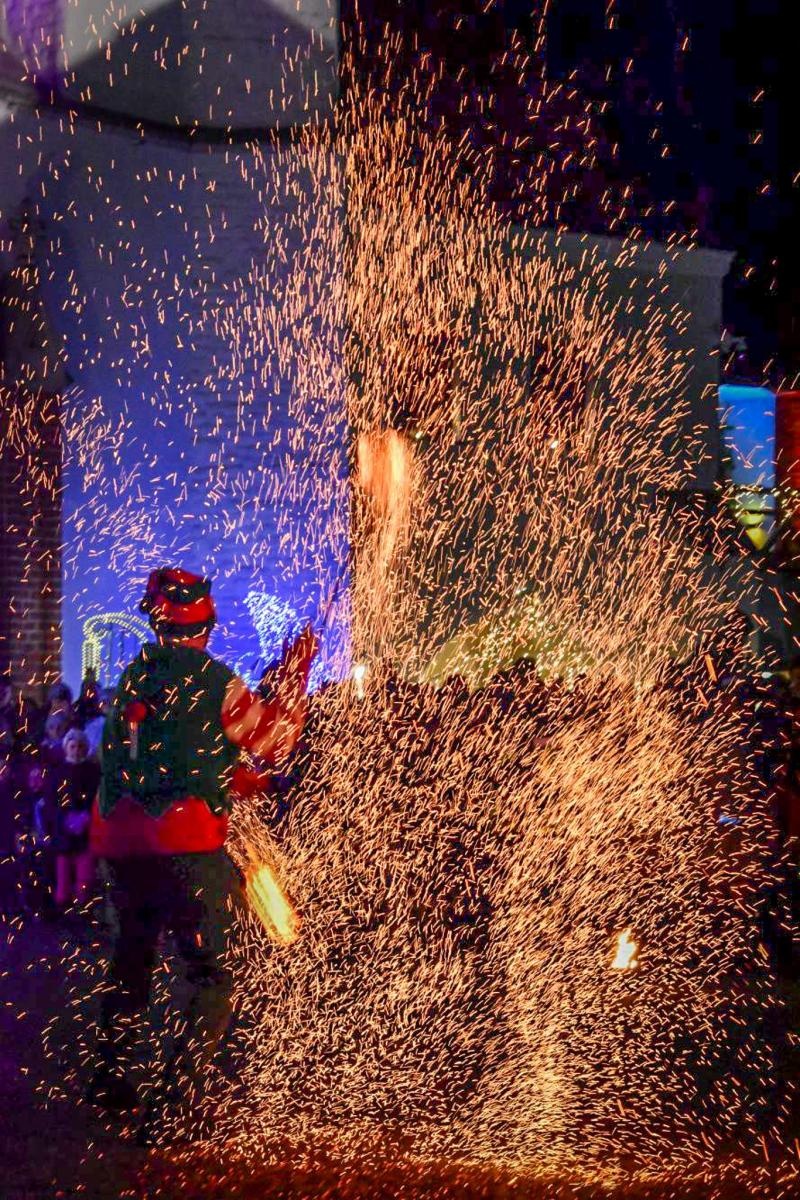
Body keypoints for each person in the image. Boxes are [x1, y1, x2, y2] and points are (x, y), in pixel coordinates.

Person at [86, 567, 317, 1142]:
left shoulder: (135, 677)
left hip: (121, 848)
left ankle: (110, 1080)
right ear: (207, 625)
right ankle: (172, 1108)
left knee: (131, 960)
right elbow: (278, 742)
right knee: (213, 976)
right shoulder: (217, 684)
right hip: (186, 848)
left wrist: (238, 780)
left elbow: (168, 762)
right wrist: (296, 674)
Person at [53, 728, 100, 910]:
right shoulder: (58, 771)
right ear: (66, 748)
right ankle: (62, 907)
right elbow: (53, 798)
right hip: (63, 829)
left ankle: (82, 906)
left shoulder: (92, 771)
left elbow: (94, 795)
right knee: (63, 874)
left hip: (86, 829)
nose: (76, 750)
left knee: (84, 874)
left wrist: (85, 816)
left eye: (80, 746)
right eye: (73, 746)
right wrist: (64, 818)